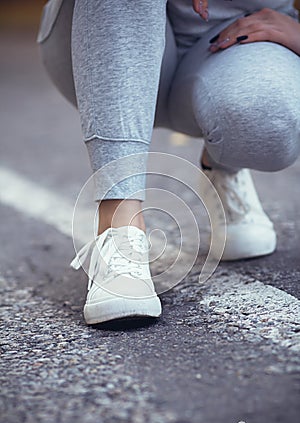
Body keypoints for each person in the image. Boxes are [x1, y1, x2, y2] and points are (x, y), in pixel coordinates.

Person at [37, 0, 300, 325]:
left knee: (269, 115)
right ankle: (118, 228)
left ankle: (221, 166)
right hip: (103, 34)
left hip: (235, 37)